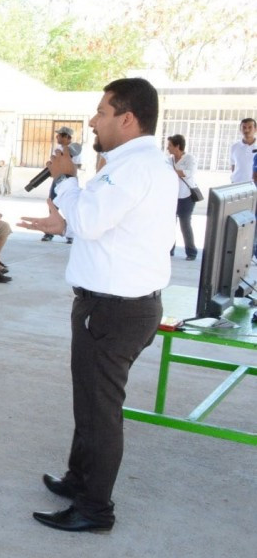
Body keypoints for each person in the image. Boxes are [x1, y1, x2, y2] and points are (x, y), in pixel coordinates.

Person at [19, 77, 175, 533]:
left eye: (102, 112)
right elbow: (108, 229)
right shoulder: (136, 165)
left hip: (114, 310)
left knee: (99, 410)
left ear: (128, 119)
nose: (93, 120)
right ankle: (78, 478)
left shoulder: (131, 168)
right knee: (88, 401)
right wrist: (66, 220)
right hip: (114, 304)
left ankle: (95, 509)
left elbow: (88, 219)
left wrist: (66, 180)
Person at [43, 126, 82, 243]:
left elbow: (77, 165)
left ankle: (70, 234)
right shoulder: (58, 148)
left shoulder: (74, 150)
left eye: (59, 135)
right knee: (52, 205)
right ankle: (49, 232)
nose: (57, 137)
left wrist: (66, 165)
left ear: (67, 137)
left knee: (69, 206)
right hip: (57, 180)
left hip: (69, 181)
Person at [166, 134, 198, 260]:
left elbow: (189, 173)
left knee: (185, 225)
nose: (167, 148)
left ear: (177, 146)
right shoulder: (169, 160)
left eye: (170, 145)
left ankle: (191, 252)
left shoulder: (190, 158)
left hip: (186, 197)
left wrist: (173, 172)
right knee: (169, 225)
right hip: (172, 197)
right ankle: (169, 250)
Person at [228, 118, 256, 184]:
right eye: (244, 127)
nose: (246, 130)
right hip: (236, 185)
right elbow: (233, 166)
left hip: (254, 185)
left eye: (250, 127)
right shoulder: (234, 146)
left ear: (255, 129)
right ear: (240, 129)